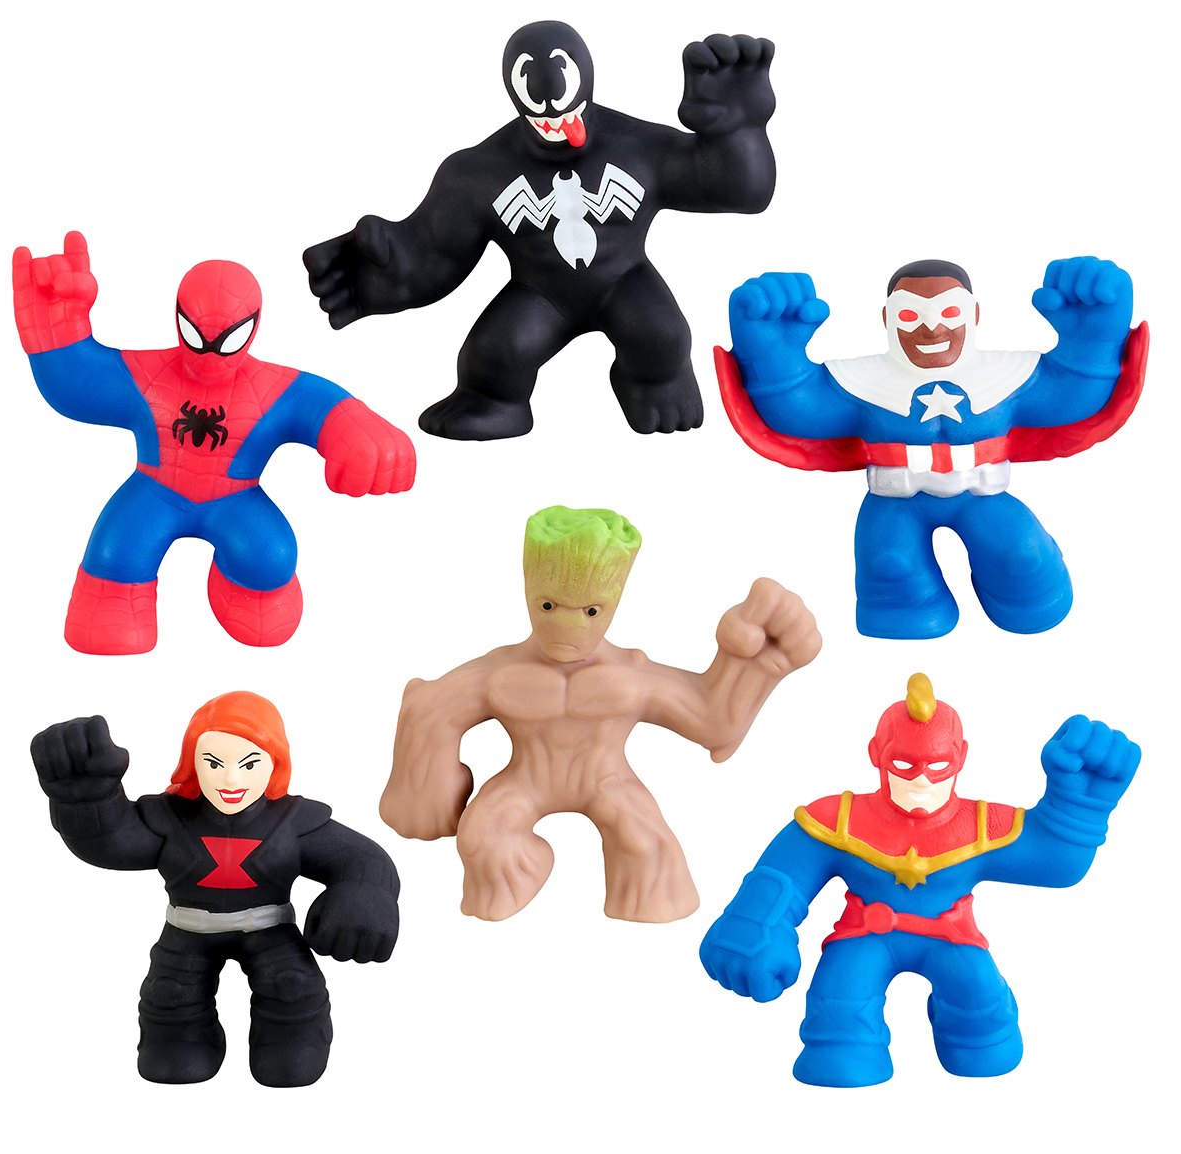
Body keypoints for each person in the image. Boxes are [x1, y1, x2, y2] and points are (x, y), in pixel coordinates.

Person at [305, 21, 776, 439]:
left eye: (560, 70)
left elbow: (738, 190)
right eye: (530, 75)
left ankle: (652, 382)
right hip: (540, 293)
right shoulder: (480, 173)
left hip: (625, 280)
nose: (549, 95)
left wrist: (739, 130)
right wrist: (386, 270)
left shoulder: (638, 149)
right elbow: (437, 254)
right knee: (494, 356)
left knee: (663, 338)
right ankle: (492, 403)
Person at [380, 505, 821, 921]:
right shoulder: (499, 673)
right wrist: (426, 795)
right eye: (549, 606)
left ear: (612, 603)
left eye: (591, 610)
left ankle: (640, 915)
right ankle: (520, 878)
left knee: (645, 847)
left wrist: (752, 664)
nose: (569, 627)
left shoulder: (630, 676)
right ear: (529, 591)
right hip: (524, 781)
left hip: (608, 780)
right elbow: (429, 708)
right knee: (481, 842)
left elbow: (710, 720)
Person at [700, 674, 1139, 1086]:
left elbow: (1055, 863)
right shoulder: (840, 820)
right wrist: (754, 926)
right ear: (876, 753)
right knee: (840, 1024)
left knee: (981, 1019)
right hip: (864, 937)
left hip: (952, 940)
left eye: (939, 764)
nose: (922, 780)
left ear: (961, 757)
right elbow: (784, 874)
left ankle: (970, 1038)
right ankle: (848, 1051)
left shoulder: (981, 824)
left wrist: (1075, 810)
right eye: (904, 763)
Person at [14, 232, 415, 653]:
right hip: (155, 488)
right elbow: (84, 385)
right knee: (118, 550)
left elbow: (324, 407)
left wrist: (363, 434)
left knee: (271, 557)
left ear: (252, 328)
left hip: (235, 497)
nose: (209, 354)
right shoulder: (151, 374)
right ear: (178, 318)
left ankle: (240, 584)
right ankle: (114, 599)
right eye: (196, 335)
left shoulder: (272, 387)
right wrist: (59, 337)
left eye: (227, 340)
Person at [716, 256, 1147, 637]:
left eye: (950, 312)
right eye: (909, 316)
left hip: (983, 495)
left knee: (1022, 558)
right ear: (886, 319)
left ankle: (1029, 602)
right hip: (895, 501)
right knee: (891, 567)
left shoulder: (1006, 375)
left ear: (974, 314)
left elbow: (1071, 397)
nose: (932, 328)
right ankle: (910, 612)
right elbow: (799, 411)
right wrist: (772, 354)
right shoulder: (863, 382)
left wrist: (1091, 342)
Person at [31, 691, 401, 1087]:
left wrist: (364, 892)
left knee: (291, 992)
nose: (231, 779)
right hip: (187, 930)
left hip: (270, 929)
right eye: (213, 762)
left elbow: (359, 857)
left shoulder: (294, 820)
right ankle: (183, 1040)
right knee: (172, 1003)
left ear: (275, 761)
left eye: (249, 763)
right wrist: (87, 800)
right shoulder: (170, 816)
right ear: (192, 761)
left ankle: (290, 1041)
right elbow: (115, 843)